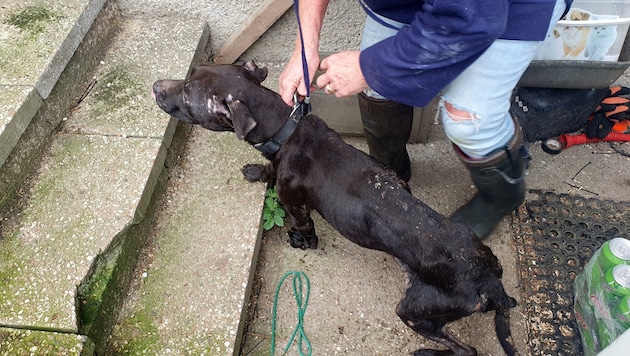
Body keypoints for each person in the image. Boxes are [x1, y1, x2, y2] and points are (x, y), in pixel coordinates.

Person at [278, 0, 571, 239]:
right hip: (409, 4)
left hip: (504, 7)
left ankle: (501, 197)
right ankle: (391, 172)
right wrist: (305, 46)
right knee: (376, 89)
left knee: (467, 119)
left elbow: (473, 16)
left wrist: (367, 68)